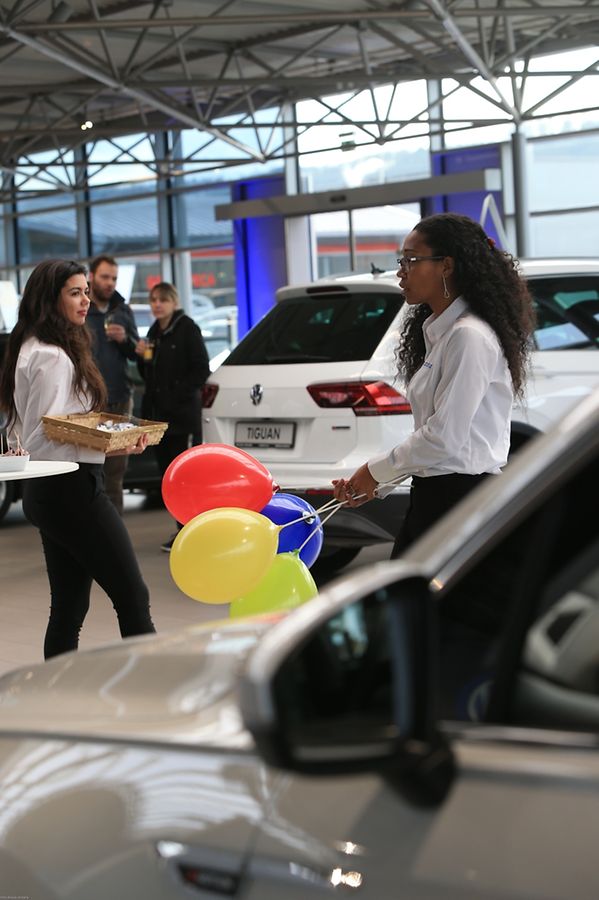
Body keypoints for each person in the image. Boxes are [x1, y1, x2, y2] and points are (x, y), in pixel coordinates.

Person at [333, 212, 535, 558]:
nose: (401, 271)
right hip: (435, 496)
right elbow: (435, 444)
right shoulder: (441, 334)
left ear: (447, 266)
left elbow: (444, 439)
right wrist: (377, 482)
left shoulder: (467, 336)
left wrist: (375, 472)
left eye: (411, 260)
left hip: (457, 502)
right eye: (402, 260)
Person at [0, 259, 156, 659]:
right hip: (70, 488)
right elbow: (53, 431)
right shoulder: (51, 355)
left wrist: (115, 443)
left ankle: (56, 695)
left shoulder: (35, 345)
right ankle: (158, 693)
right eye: (75, 292)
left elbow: (53, 429)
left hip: (52, 489)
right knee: (132, 597)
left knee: (70, 607)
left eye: (86, 290)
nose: (86, 299)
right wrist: (111, 441)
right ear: (49, 299)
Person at [135, 281, 210, 552]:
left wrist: (175, 394)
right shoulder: (154, 332)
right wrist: (142, 359)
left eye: (163, 300)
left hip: (181, 417)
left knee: (186, 477)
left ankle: (194, 532)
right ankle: (182, 530)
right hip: (158, 419)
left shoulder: (187, 328)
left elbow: (201, 370)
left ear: (173, 303)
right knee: (168, 478)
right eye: (154, 299)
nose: (157, 305)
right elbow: (149, 376)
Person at [87, 254, 139, 515]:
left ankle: (113, 528)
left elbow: (137, 352)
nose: (110, 283)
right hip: (88, 404)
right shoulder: (81, 309)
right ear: (91, 277)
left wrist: (125, 340)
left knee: (116, 474)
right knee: (89, 471)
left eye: (114, 278)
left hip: (119, 398)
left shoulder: (123, 310)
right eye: (105, 277)